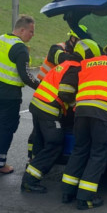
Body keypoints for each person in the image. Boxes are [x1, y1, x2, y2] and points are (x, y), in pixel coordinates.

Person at [61, 39, 107, 210]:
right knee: (98, 152)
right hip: (101, 113)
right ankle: (85, 198)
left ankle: (67, 192)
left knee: (79, 150)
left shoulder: (87, 63)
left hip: (80, 111)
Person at [0, 15, 39, 175]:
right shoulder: (20, 48)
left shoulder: (0, 39)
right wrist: (42, 87)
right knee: (7, 128)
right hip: (9, 95)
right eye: (31, 31)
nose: (32, 35)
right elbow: (26, 75)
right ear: (22, 30)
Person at [21, 59, 81, 193]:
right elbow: (65, 93)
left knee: (40, 140)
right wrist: (76, 106)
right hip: (49, 108)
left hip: (38, 104)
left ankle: (33, 171)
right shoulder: (76, 68)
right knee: (55, 144)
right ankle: (30, 180)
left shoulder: (66, 64)